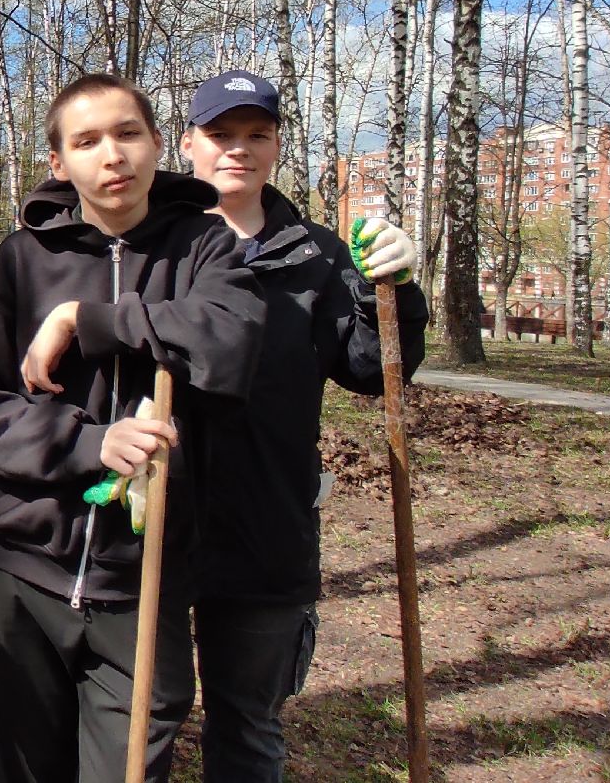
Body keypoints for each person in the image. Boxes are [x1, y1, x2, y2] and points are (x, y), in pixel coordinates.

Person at [0, 72, 264, 783]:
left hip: (142, 576)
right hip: (20, 571)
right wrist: (94, 445)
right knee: (25, 767)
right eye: (87, 141)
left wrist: (88, 321)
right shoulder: (22, 260)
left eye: (128, 134)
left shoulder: (204, 248)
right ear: (60, 164)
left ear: (159, 144)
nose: (112, 155)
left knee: (128, 768)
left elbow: (231, 341)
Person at [179, 70, 428, 781]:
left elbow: (370, 368)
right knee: (149, 711)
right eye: (221, 135)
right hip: (159, 517)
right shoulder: (159, 245)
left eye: (257, 135)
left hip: (269, 523)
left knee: (249, 722)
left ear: (278, 145)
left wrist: (396, 292)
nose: (239, 150)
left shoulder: (320, 254)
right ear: (191, 144)